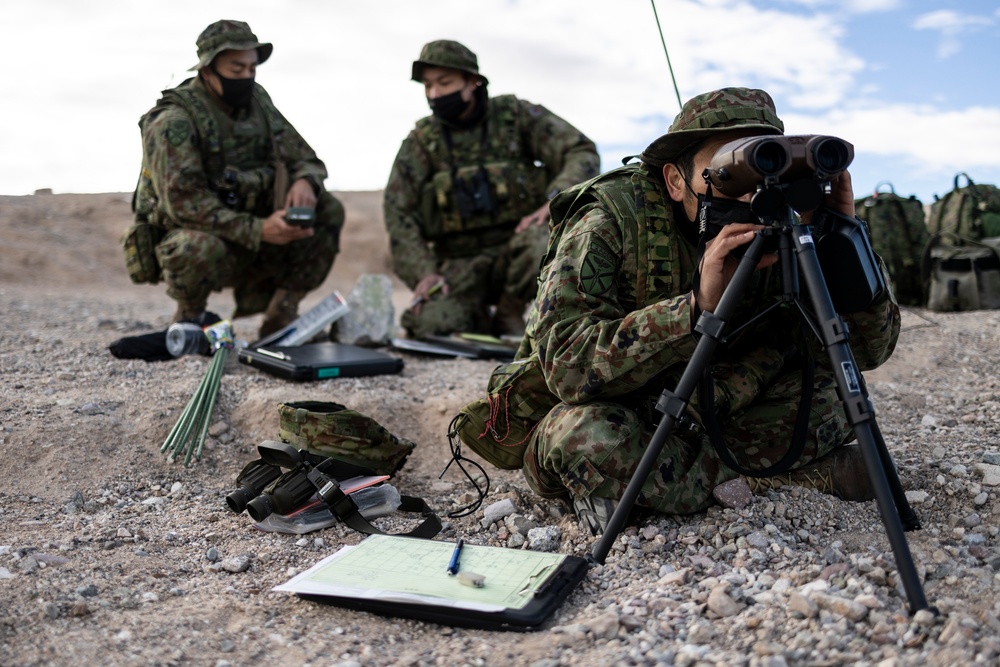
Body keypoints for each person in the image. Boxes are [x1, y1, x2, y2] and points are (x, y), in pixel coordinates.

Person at [512, 87, 901, 534]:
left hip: (725, 399)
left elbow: (869, 352)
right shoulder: (610, 219)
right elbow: (566, 366)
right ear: (676, 181)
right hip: (631, 405)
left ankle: (667, 486)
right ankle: (782, 477)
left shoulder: (790, 224)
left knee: (833, 403)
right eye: (727, 170)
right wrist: (695, 309)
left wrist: (839, 246)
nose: (750, 192)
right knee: (585, 438)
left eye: (762, 163)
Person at [134, 20, 344, 338]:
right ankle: (189, 320)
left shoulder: (257, 101)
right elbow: (183, 204)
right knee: (196, 246)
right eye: (236, 70)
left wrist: (304, 181)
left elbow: (306, 158)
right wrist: (258, 230)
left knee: (328, 210)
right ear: (207, 71)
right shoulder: (173, 121)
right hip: (203, 241)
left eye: (252, 68)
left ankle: (281, 316)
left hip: (257, 236)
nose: (246, 77)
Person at [383, 40, 600, 339]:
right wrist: (424, 273)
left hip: (518, 248)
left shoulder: (515, 116)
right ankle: (476, 315)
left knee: (545, 236)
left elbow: (580, 151)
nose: (434, 95)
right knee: (427, 325)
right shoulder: (422, 141)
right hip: (459, 263)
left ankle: (510, 311)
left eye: (444, 83)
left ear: (473, 82)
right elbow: (398, 209)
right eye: (427, 86)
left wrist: (554, 202)